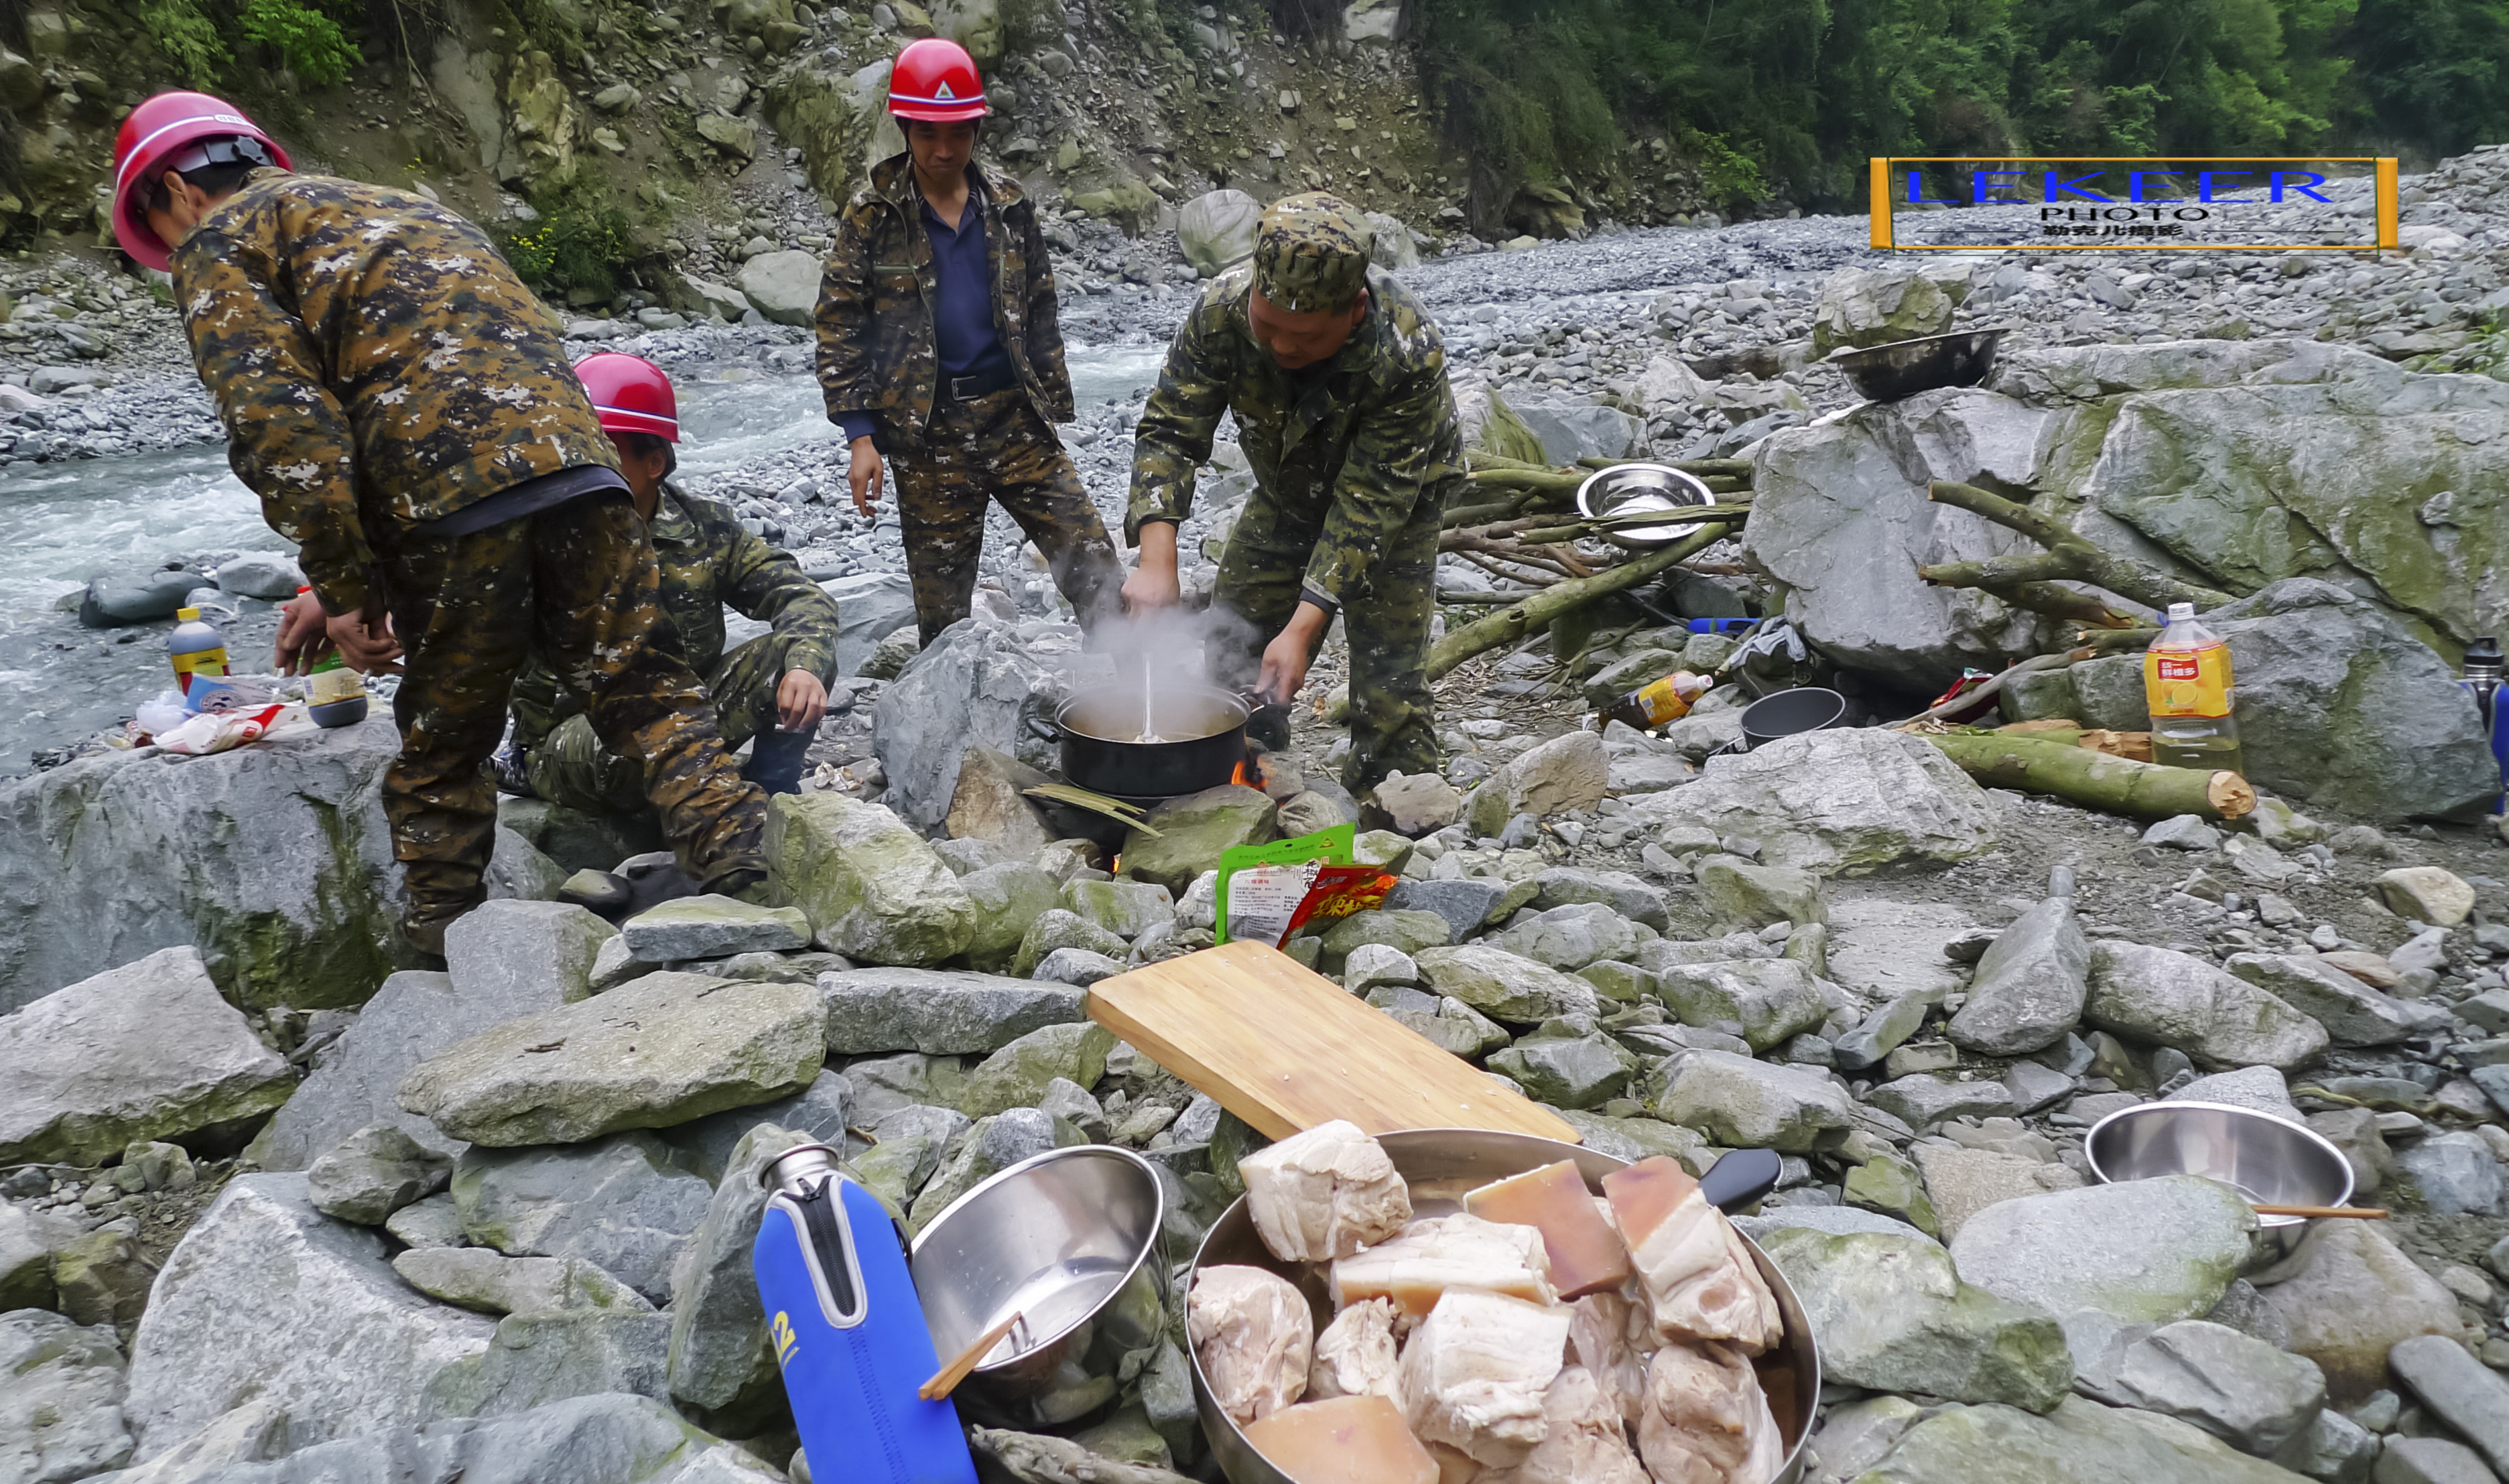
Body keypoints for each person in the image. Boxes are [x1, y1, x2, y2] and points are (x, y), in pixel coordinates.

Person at [114, 90, 771, 956]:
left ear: (175, 190)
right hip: (582, 461)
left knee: (446, 738)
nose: (169, 253)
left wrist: (347, 586)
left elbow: (285, 432)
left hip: (450, 499)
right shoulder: (403, 205)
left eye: (155, 233)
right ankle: (744, 880)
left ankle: (441, 956)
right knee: (645, 685)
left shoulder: (221, 242)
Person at [1120, 192, 1462, 796]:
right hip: (1288, 485)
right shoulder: (1220, 312)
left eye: (1304, 339)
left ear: (1353, 310)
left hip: (1397, 503)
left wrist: (1305, 627)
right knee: (1235, 637)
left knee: (1388, 681)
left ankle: (1395, 811)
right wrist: (1157, 558)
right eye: (1269, 326)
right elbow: (1173, 429)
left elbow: (1370, 502)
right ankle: (1245, 772)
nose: (1281, 348)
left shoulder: (1406, 349)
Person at [815, 37, 1122, 647]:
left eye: (958, 133)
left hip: (1013, 418)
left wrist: (1052, 406)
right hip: (926, 435)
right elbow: (838, 322)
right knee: (943, 618)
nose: (944, 149)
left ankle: (1135, 717)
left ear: (976, 128)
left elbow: (1039, 306)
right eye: (928, 134)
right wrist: (860, 436)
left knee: (1098, 569)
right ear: (904, 127)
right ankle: (947, 736)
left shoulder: (1008, 206)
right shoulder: (871, 217)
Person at [501, 352, 843, 811]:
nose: (581, 465)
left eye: (603, 450)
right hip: (572, 738)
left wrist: (803, 667)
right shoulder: (538, 532)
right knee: (648, 724)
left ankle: (773, 797)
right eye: (574, 447)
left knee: (796, 657)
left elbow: (802, 597)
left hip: (681, 715)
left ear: (654, 462)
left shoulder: (704, 528)